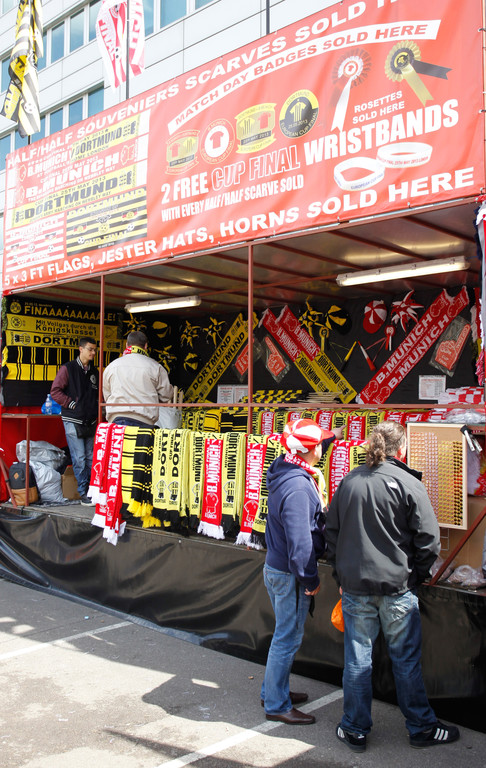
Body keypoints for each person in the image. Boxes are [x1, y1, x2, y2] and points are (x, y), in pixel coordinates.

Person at [326, 420, 460, 752]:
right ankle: (421, 727)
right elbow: (429, 541)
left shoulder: (350, 481)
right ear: (402, 449)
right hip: (397, 588)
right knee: (405, 661)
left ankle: (354, 728)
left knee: (358, 661)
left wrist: (341, 576)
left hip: (357, 587)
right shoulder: (408, 483)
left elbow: (331, 535)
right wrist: (415, 575)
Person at [261, 418, 338, 725]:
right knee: (287, 638)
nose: (323, 448)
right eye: (320, 443)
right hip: (290, 573)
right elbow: (300, 542)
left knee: (284, 634)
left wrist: (333, 436)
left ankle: (273, 691)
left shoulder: (286, 466)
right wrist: (310, 579)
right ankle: (276, 704)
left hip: (279, 568)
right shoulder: (298, 487)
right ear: (311, 449)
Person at [50, 336, 99, 505]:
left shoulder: (94, 371)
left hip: (90, 420)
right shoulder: (68, 368)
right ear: (81, 349)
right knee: (79, 458)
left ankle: (91, 491)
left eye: (95, 350)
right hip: (72, 419)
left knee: (90, 458)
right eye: (90, 349)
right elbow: (55, 391)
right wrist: (71, 404)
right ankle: (83, 492)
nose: (93, 353)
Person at [103, 330, 174, 427]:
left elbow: (107, 395)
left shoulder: (111, 366)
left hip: (116, 420)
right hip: (144, 420)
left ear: (126, 345)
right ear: (145, 346)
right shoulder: (155, 367)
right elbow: (166, 395)